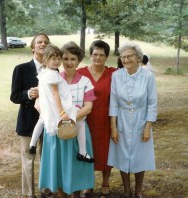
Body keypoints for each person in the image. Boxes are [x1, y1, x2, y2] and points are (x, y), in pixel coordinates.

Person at [38, 43, 95, 197]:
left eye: (73, 59)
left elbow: (88, 107)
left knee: (75, 167)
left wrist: (68, 121)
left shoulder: (85, 82)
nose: (69, 62)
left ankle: (75, 195)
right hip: (56, 131)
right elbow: (39, 103)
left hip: (76, 129)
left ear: (79, 61)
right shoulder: (51, 77)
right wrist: (53, 119)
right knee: (58, 166)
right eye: (65, 58)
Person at [107, 42, 157, 198]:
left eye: (129, 56)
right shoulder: (116, 75)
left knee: (139, 154)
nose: (126, 60)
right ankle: (127, 190)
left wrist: (148, 127)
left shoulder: (148, 76)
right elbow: (113, 102)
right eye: (123, 57)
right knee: (123, 154)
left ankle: (139, 190)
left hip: (141, 119)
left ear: (138, 58)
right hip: (122, 119)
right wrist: (113, 127)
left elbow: (152, 103)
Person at [10, 33, 50, 198]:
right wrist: (28, 94)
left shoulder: (53, 69)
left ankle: (47, 190)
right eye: (39, 42)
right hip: (27, 121)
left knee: (47, 157)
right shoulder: (21, 69)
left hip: (48, 121)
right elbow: (14, 96)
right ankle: (28, 194)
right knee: (28, 158)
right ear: (33, 47)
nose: (42, 44)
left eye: (46, 42)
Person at [78, 40, 116, 197]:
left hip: (106, 119)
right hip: (86, 119)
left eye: (102, 55)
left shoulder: (114, 73)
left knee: (106, 151)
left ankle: (106, 183)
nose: (98, 57)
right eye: (95, 54)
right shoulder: (81, 73)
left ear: (106, 57)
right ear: (90, 55)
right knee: (87, 150)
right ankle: (88, 183)